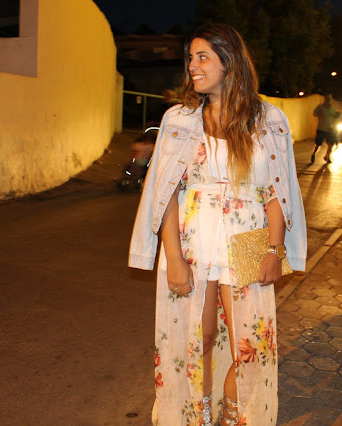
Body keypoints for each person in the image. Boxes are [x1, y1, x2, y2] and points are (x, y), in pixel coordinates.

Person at [128, 24, 307, 425]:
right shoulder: (179, 119)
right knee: (198, 341)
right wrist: (173, 258)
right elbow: (166, 193)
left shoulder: (268, 118)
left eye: (202, 57)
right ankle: (199, 416)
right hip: (192, 239)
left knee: (253, 344)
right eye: (190, 58)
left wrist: (275, 250)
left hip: (248, 236)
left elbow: (277, 191)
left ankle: (232, 412)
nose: (192, 65)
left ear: (229, 62)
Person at [311, 94, 338, 163]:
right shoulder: (320, 107)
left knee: (330, 145)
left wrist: (336, 116)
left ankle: (327, 157)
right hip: (321, 128)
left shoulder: (332, 108)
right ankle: (313, 154)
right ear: (325, 99)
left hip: (329, 129)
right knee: (318, 144)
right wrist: (318, 114)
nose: (328, 100)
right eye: (327, 98)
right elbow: (314, 113)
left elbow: (334, 116)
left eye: (329, 99)